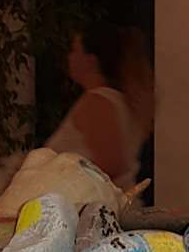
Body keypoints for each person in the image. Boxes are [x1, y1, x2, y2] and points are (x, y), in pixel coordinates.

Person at [45, 23, 153, 191]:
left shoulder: (99, 102)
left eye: (75, 50)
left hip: (91, 203)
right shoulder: (119, 100)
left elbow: (111, 165)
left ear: (90, 61)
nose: (69, 57)